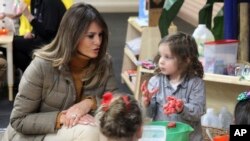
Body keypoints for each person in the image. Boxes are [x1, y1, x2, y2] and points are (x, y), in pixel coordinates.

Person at [3, 3, 118, 141]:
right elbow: (18, 120)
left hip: (75, 130)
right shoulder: (41, 65)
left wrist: (90, 103)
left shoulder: (104, 63)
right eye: (91, 36)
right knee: (90, 132)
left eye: (100, 35)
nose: (98, 41)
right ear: (72, 36)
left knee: (112, 131)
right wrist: (62, 117)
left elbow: (114, 102)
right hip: (30, 135)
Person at [141, 32, 206, 141]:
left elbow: (198, 112)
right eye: (160, 55)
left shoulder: (196, 83)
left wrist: (182, 108)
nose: (161, 61)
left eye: (167, 57)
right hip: (163, 137)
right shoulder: (155, 81)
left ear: (186, 60)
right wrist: (146, 103)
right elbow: (150, 114)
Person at [13, 0, 66, 72]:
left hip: (53, 45)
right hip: (42, 39)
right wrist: (33, 33)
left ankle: (34, 74)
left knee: (12, 43)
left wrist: (28, 16)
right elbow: (39, 23)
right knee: (12, 44)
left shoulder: (50, 3)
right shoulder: (35, 2)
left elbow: (48, 33)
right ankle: (33, 74)